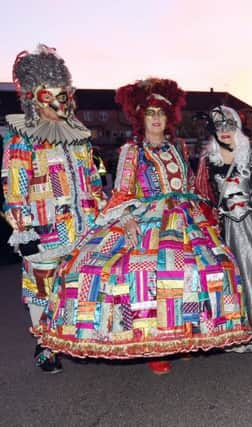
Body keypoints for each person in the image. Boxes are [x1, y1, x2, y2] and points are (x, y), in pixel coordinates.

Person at [35, 78, 251, 374]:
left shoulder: (178, 148)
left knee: (207, 268)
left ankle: (185, 333)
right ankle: (153, 344)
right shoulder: (131, 150)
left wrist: (202, 215)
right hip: (145, 217)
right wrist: (126, 220)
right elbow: (122, 191)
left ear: (169, 117)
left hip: (183, 217)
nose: (157, 118)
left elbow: (186, 184)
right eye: (150, 113)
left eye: (161, 113)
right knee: (145, 275)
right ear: (141, 118)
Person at [1, 45, 104, 373]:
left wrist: (104, 214)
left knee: (79, 285)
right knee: (42, 288)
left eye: (64, 95)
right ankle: (44, 346)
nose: (59, 103)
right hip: (44, 230)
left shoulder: (80, 139)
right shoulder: (22, 141)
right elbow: (13, 191)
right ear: (34, 98)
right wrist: (22, 231)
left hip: (83, 227)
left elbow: (94, 180)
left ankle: (75, 337)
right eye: (50, 96)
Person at [199, 105, 252, 352]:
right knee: (228, 281)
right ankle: (233, 332)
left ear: (238, 127)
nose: (224, 131)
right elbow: (202, 195)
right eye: (219, 127)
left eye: (229, 126)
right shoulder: (206, 161)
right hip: (223, 231)